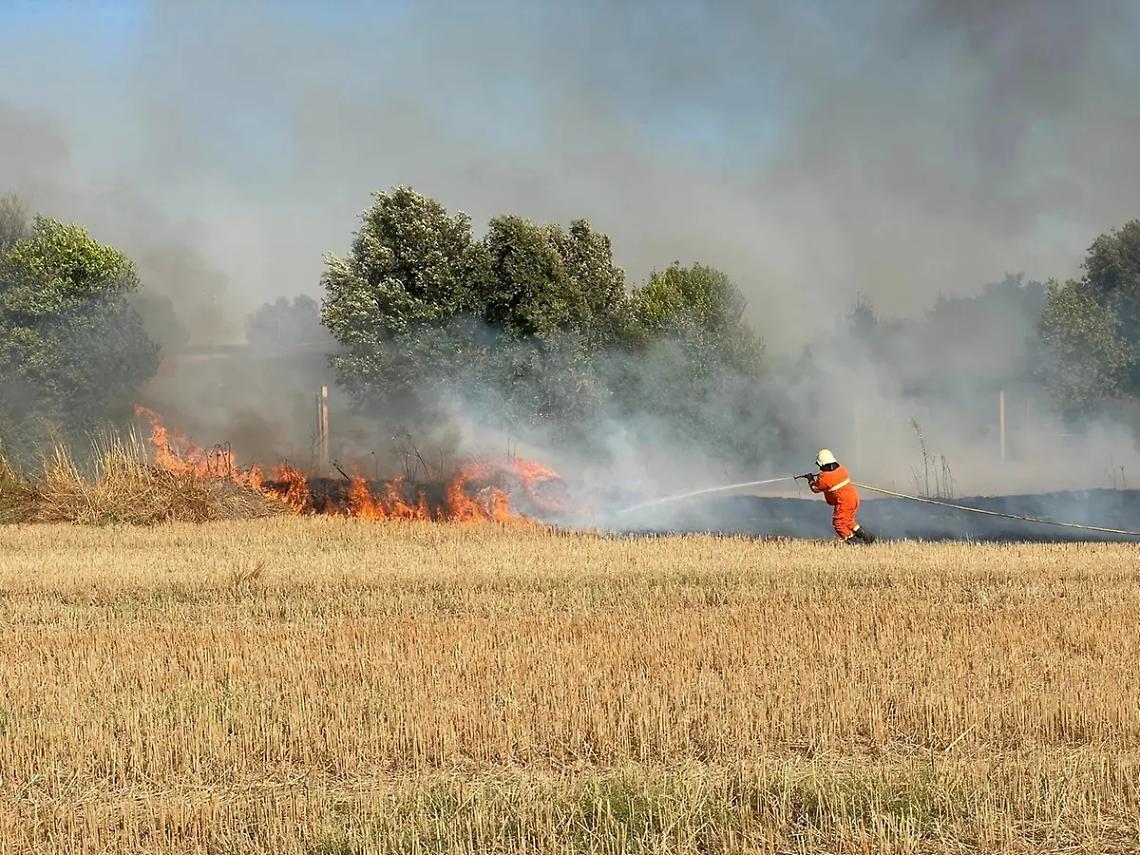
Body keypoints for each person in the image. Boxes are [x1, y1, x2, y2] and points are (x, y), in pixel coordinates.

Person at [806, 449, 875, 544]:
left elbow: (815, 488)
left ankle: (855, 544)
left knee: (839, 524)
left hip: (844, 503)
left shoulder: (824, 478)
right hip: (854, 499)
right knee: (849, 522)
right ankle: (868, 537)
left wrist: (810, 479)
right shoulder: (842, 469)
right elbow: (831, 477)